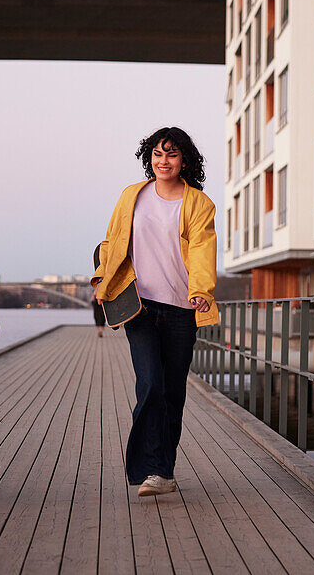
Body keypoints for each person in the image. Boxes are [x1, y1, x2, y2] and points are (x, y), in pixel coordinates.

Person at [91, 126, 218, 497]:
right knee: (150, 386)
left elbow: (201, 251)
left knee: (172, 393)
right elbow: (112, 241)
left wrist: (201, 290)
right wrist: (103, 277)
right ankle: (149, 468)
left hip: (182, 309)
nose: (164, 161)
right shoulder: (132, 195)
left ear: (184, 161)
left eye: (172, 155)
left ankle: (164, 471)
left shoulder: (198, 203)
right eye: (158, 154)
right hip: (140, 306)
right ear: (150, 158)